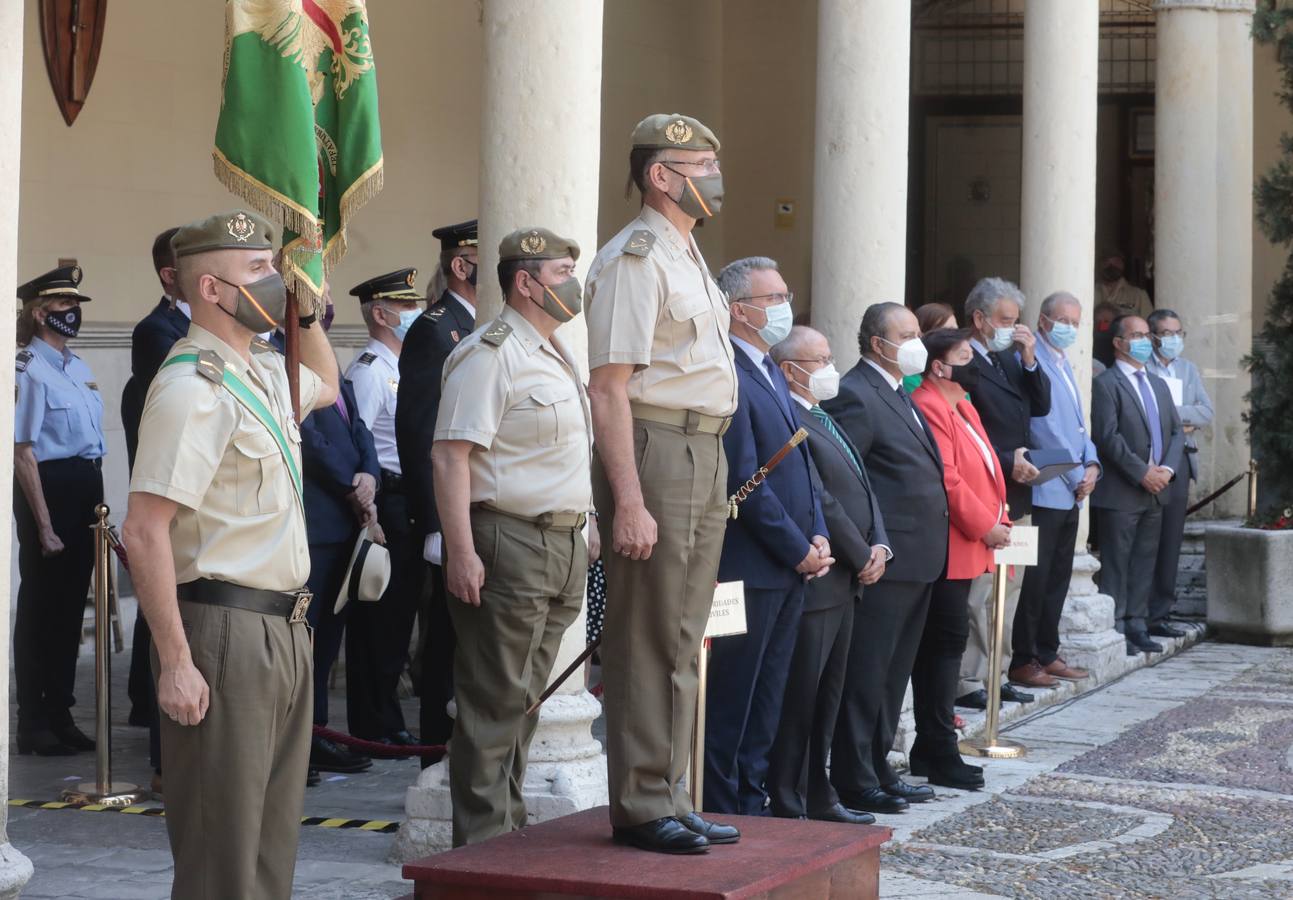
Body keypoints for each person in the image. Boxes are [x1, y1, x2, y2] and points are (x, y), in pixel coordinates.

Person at [121, 209, 340, 899]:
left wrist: (307, 310)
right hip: (224, 629)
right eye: (260, 270)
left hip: (284, 625)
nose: (276, 280)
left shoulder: (265, 370)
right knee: (223, 853)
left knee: (269, 849)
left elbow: (327, 384)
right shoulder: (191, 388)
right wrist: (176, 662)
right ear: (211, 289)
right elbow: (144, 530)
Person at [586, 113, 739, 854]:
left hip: (703, 446)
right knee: (649, 632)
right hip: (657, 446)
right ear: (660, 175)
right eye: (699, 165)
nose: (713, 176)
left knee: (683, 631)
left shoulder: (687, 251)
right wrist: (628, 500)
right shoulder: (636, 257)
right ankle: (643, 802)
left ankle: (673, 790)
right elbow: (609, 387)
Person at [433, 227, 593, 846]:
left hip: (560, 542)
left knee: (525, 700)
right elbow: (451, 456)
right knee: (493, 702)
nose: (572, 284)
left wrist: (588, 524)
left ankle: (508, 836)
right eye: (561, 273)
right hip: (509, 539)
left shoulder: (553, 350)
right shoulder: (491, 353)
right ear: (525, 282)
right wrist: (461, 551)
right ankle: (480, 855)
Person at [704, 258, 831, 816]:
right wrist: (797, 548)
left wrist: (818, 534)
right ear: (739, 310)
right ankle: (724, 806)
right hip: (750, 567)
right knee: (734, 697)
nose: (785, 306)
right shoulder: (728, 370)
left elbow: (798, 464)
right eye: (773, 298)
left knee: (767, 699)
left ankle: (752, 802)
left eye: (785, 294)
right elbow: (745, 481)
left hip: (788, 566)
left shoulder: (769, 369)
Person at [822, 302, 948, 816]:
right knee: (867, 674)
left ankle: (879, 768)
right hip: (885, 559)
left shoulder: (899, 390)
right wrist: (867, 544)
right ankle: (854, 776)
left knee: (893, 675)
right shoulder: (856, 393)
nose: (919, 343)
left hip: (919, 558)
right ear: (879, 343)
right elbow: (845, 478)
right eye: (908, 334)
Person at [767, 325, 887, 825]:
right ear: (789, 369)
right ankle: (788, 797)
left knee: (828, 696)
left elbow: (862, 485)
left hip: (848, 578)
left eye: (829, 358)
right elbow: (823, 499)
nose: (830, 368)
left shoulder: (824, 415)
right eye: (819, 361)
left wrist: (879, 543)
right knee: (801, 696)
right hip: (823, 576)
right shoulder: (788, 416)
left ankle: (821, 793)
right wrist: (859, 554)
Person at [911, 328, 1011, 790]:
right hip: (950, 544)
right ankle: (937, 747)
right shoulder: (930, 404)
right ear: (938, 366)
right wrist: (984, 524)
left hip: (972, 542)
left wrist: (1000, 514)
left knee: (951, 642)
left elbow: (985, 467)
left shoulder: (964, 405)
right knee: (943, 645)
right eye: (965, 356)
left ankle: (932, 746)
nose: (975, 365)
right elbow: (948, 479)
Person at [13, 265, 105, 757]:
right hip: (48, 492)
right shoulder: (28, 368)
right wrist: (45, 527)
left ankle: (61, 712)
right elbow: (22, 451)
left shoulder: (78, 367)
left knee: (70, 611)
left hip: (84, 487)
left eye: (75, 305)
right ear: (39, 312)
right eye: (64, 305)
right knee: (41, 611)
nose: (73, 313)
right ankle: (34, 720)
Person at [399, 219, 478, 751]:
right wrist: (433, 523)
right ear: (461, 265)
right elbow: (419, 429)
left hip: (475, 504)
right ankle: (436, 753)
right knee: (445, 642)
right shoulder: (435, 329)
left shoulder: (478, 326)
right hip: (449, 513)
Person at [958, 278, 1052, 702]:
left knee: (1010, 588)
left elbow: (1041, 404)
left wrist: (1030, 358)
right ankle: (969, 679)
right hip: (984, 488)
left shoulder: (1009, 358)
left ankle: (999, 672)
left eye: (1016, 321)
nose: (1012, 329)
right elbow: (964, 430)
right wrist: (1005, 458)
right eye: (1005, 320)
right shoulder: (963, 359)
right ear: (980, 319)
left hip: (1019, 490)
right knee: (979, 593)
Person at [299, 286, 380, 775]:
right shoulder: (286, 356)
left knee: (329, 640)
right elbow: (308, 439)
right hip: (318, 521)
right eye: (317, 297)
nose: (325, 307)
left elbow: (360, 429)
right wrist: (351, 484)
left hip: (348, 519)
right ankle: (300, 743)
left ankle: (320, 733)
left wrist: (369, 473)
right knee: (306, 640)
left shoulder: (329, 358)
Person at [344, 268, 425, 748]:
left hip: (407, 498)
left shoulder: (400, 366)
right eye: (406, 306)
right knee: (381, 618)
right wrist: (368, 510)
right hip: (386, 501)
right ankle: (376, 722)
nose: (415, 313)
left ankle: (386, 715)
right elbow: (358, 444)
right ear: (381, 313)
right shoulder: (371, 371)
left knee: (399, 616)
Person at [121, 228, 188, 783]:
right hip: (172, 494)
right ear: (171, 275)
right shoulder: (157, 330)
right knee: (165, 616)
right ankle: (165, 755)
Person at [1012, 293, 1099, 686]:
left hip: (1072, 489)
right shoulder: (1032, 361)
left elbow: (1080, 426)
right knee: (1036, 578)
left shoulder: (1064, 363)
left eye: (1075, 322)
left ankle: (1048, 651)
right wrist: (1075, 473)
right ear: (1043, 320)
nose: (1069, 328)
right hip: (1048, 486)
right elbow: (1043, 427)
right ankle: (1024, 657)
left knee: (1058, 577)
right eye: (1062, 320)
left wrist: (1092, 466)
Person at [1090, 315, 1184, 655]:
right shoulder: (1106, 384)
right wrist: (1141, 472)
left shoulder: (1158, 384)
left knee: (1145, 560)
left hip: (1157, 490)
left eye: (1147, 335)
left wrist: (1167, 470)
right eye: (1137, 335)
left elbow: (1176, 431)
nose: (1146, 341)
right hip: (1122, 490)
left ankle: (1137, 624)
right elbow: (1107, 436)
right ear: (1118, 342)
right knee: (1117, 563)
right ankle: (1116, 626)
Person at [1146, 308, 1213, 638]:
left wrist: (1170, 414)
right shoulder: (1143, 367)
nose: (1174, 339)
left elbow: (1206, 412)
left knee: (1171, 538)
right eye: (1167, 333)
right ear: (1153, 337)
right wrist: (1180, 422)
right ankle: (1135, 612)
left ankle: (1160, 614)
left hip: (1181, 459)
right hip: (1148, 460)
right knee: (1147, 539)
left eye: (1179, 333)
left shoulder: (1188, 370)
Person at [906, 303, 958, 392]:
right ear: (922, 336)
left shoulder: (955, 373)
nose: (956, 337)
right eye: (947, 332)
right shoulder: (910, 379)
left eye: (956, 331)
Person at [1094, 248, 1153, 320]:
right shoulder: (1089, 292)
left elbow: (1149, 323)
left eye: (1116, 262)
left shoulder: (1139, 295)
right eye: (1106, 262)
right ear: (1099, 265)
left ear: (1123, 265)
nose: (1111, 265)